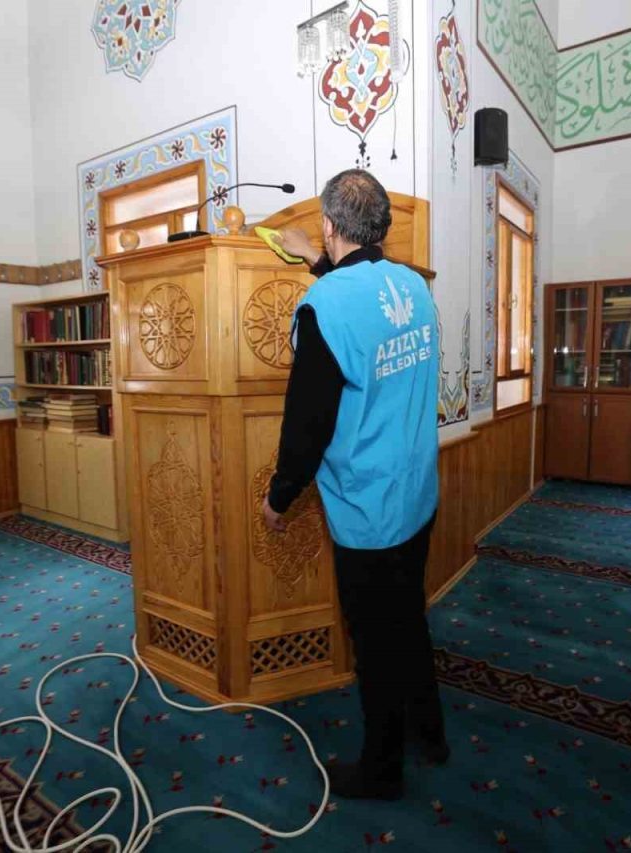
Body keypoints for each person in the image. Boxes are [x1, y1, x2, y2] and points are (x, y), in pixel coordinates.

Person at [259, 169, 448, 801]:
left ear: (329, 225)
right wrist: (316, 260)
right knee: (408, 617)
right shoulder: (414, 286)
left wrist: (280, 495)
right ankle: (430, 732)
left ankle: (381, 769)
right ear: (382, 227)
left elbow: (307, 423)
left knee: (374, 642)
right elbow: (368, 312)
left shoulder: (324, 308)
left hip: (368, 509)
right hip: (416, 494)